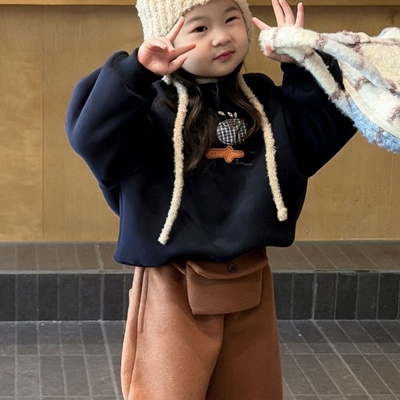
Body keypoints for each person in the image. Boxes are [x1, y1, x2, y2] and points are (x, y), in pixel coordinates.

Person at [65, 0, 357, 398]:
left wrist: (302, 63)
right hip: (173, 283)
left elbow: (321, 132)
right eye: (200, 28)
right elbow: (92, 136)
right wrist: (136, 72)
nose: (221, 37)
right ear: (166, 35)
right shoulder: (148, 108)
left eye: (231, 19)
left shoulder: (262, 101)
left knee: (253, 392)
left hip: (251, 277)